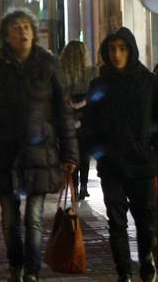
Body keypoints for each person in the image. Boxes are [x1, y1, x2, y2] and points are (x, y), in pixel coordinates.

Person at [0, 9, 78, 282]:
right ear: (6, 35)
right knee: (10, 219)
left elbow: (63, 112)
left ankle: (33, 271)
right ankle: (16, 265)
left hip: (40, 151)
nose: (23, 32)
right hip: (5, 152)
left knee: (34, 217)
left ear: (34, 32)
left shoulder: (48, 64)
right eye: (16, 28)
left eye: (27, 26)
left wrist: (70, 153)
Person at [84, 28, 158, 282]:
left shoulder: (150, 82)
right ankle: (123, 271)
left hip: (141, 163)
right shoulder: (99, 84)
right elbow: (89, 121)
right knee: (116, 221)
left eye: (122, 49)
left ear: (131, 50)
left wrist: (152, 148)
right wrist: (99, 151)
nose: (116, 55)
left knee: (145, 219)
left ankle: (146, 259)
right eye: (112, 49)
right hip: (112, 165)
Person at [58, 40, 97, 199]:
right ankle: (84, 186)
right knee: (84, 153)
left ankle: (73, 186)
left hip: (67, 119)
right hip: (87, 118)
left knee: (70, 154)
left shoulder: (61, 73)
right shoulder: (92, 72)